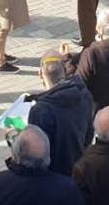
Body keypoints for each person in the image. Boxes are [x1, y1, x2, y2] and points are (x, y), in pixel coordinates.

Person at [28, 48, 95, 177]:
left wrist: (14, 137)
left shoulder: (41, 110)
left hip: (53, 174)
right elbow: (89, 134)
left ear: (40, 74)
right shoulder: (83, 94)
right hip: (79, 166)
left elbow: (36, 152)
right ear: (64, 71)